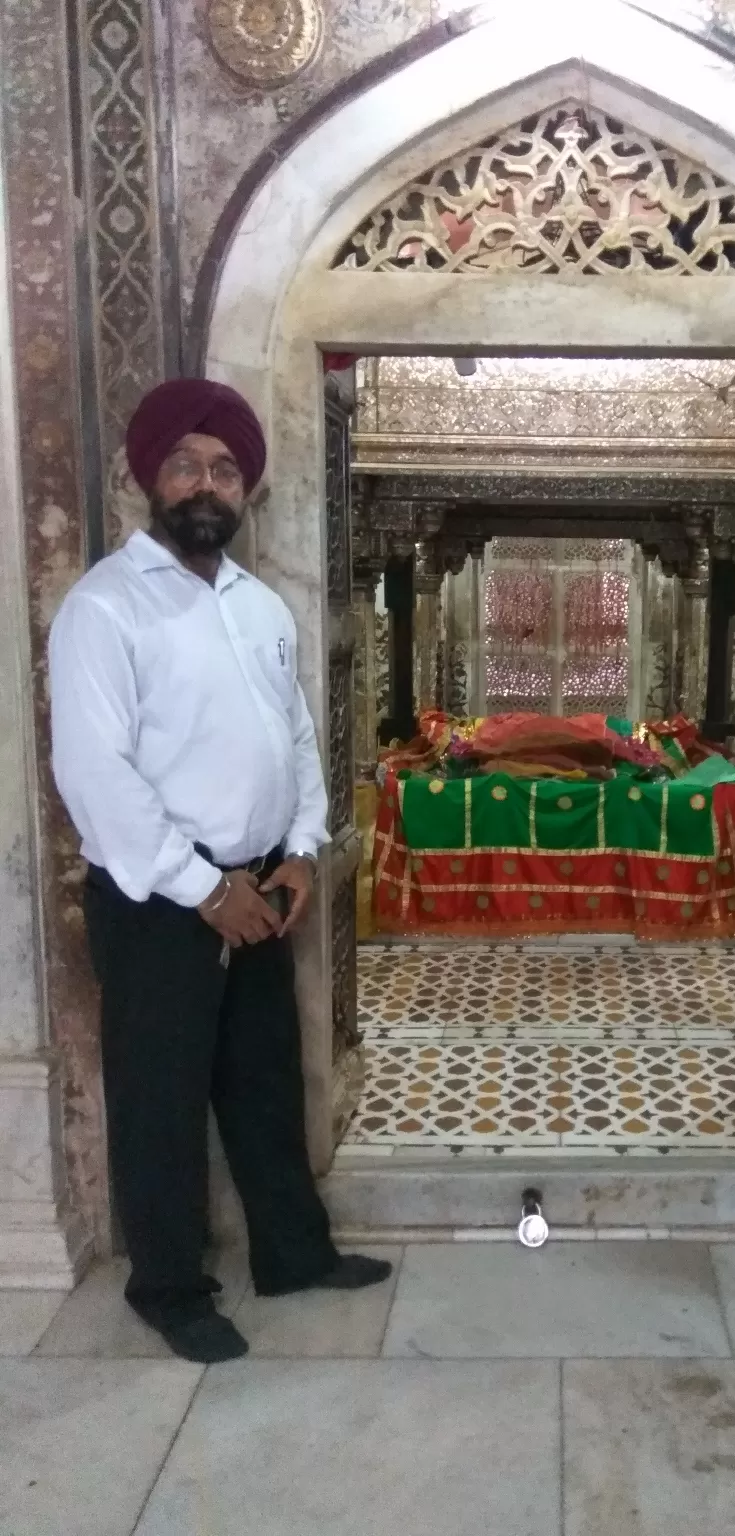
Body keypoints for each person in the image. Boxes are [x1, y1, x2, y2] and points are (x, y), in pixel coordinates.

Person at [49, 379, 391, 1364]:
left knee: (262, 1082)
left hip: (262, 886)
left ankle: (292, 1252)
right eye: (189, 464)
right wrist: (205, 889)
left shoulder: (260, 607)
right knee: (160, 1097)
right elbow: (94, 775)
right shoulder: (105, 609)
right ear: (151, 479)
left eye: (227, 469)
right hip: (163, 903)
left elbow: (294, 734)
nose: (208, 483)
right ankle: (167, 1287)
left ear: (246, 490)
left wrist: (302, 850)